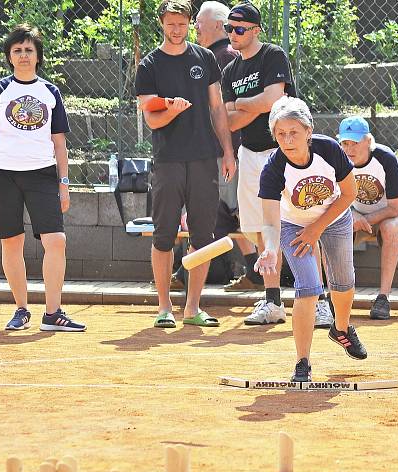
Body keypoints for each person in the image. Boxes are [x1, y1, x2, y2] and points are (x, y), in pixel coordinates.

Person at [0, 24, 85, 332]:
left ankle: (53, 312)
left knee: (56, 241)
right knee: (11, 242)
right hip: (2, 175)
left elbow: (60, 143)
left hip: (43, 175)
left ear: (37, 56)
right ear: (9, 55)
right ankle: (21, 309)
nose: (23, 55)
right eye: (17, 50)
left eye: (28, 50)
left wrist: (64, 184)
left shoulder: (50, 92)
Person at [221, 3, 332, 328]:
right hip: (250, 153)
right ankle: (273, 301)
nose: (233, 34)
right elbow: (229, 122)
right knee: (259, 228)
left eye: (239, 29)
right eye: (229, 28)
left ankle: (320, 300)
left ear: (255, 29)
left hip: (284, 151)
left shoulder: (273, 56)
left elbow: (275, 101)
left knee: (302, 223)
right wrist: (257, 102)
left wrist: (246, 104)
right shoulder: (229, 71)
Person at [135, 0, 236, 328]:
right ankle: (164, 307)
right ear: (162, 24)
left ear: (190, 24)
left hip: (205, 158)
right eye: (170, 24)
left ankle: (192, 308)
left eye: (182, 24)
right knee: (163, 234)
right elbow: (150, 118)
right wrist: (173, 111)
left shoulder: (205, 58)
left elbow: (218, 108)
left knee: (202, 236)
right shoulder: (149, 65)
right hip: (167, 160)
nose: (176, 29)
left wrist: (228, 151)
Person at [255, 97, 367, 382]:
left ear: (308, 130)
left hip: (335, 215)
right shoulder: (273, 168)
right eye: (281, 134)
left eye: (294, 132)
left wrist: (318, 227)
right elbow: (270, 219)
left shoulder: (328, 149)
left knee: (343, 282)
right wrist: (270, 249)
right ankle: (302, 362)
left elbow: (350, 193)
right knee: (309, 286)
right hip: (293, 225)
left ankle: (341, 329)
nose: (287, 140)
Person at [190, 0, 263, 292]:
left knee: (231, 210)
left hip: (227, 151)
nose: (195, 26)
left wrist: (226, 151)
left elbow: (221, 110)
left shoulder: (223, 58)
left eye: (200, 22)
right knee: (233, 211)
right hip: (227, 150)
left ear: (219, 26)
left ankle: (262, 269)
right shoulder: (217, 55)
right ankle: (256, 271)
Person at [338, 116, 398, 320]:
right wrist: (352, 215)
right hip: (357, 213)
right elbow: (334, 201)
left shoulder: (385, 158)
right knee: (330, 229)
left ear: (368, 141)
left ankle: (383, 298)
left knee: (389, 227)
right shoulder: (337, 160)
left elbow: (394, 208)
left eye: (355, 143)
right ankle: (331, 297)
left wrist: (364, 220)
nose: (349, 149)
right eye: (345, 143)